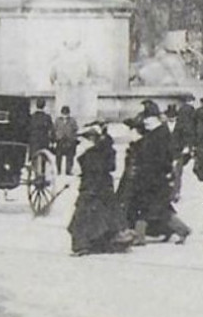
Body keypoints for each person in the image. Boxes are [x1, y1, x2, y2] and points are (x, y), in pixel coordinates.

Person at [119, 102, 190, 245]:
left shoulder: (161, 135)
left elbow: (164, 158)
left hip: (156, 179)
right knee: (149, 208)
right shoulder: (153, 134)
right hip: (148, 178)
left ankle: (181, 230)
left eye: (148, 119)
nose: (145, 122)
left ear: (155, 119)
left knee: (155, 209)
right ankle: (177, 230)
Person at [67, 123, 130, 255]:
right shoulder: (105, 149)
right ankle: (105, 242)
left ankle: (82, 245)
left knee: (83, 217)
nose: (80, 142)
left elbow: (93, 171)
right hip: (103, 187)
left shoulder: (92, 154)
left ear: (91, 139)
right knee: (104, 216)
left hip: (92, 188)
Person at [52, 106, 79, 176]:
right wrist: (55, 139)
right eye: (63, 113)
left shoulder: (72, 120)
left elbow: (75, 130)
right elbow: (54, 129)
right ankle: (58, 170)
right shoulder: (57, 120)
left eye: (66, 113)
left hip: (69, 140)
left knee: (70, 156)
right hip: (60, 140)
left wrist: (74, 139)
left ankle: (68, 170)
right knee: (58, 156)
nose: (65, 115)